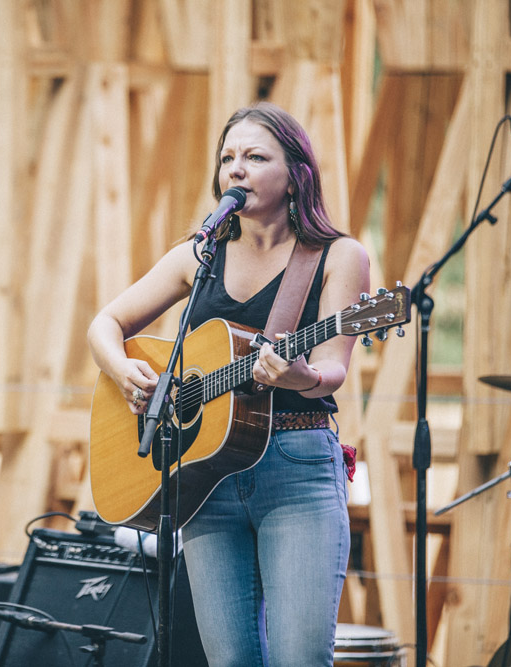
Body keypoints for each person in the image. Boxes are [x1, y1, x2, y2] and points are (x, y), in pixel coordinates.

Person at [87, 102, 369, 666]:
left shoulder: (339, 256)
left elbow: (333, 367)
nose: (236, 169)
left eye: (255, 156)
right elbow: (106, 324)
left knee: (300, 658)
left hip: (297, 472)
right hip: (205, 478)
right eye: (227, 158)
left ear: (295, 174)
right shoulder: (200, 254)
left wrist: (301, 374)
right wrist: (124, 373)